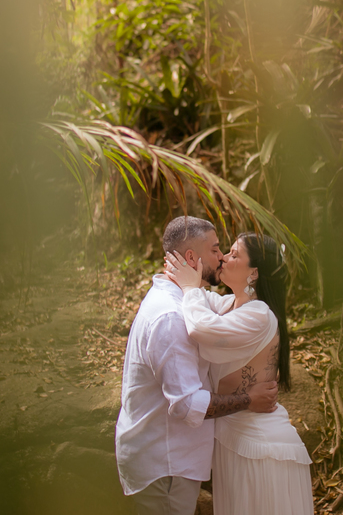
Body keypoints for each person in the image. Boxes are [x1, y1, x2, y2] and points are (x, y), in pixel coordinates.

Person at [116, 216, 280, 515]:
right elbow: (187, 404)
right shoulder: (171, 318)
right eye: (216, 249)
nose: (221, 257)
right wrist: (248, 400)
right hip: (165, 463)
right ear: (191, 257)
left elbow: (217, 308)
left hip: (170, 460)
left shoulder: (182, 301)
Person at [164, 233, 314, 515]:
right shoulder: (232, 305)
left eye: (234, 254)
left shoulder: (259, 315)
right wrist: (189, 274)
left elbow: (200, 327)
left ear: (254, 272)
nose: (224, 258)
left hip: (259, 448)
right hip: (237, 442)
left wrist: (189, 288)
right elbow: (205, 303)